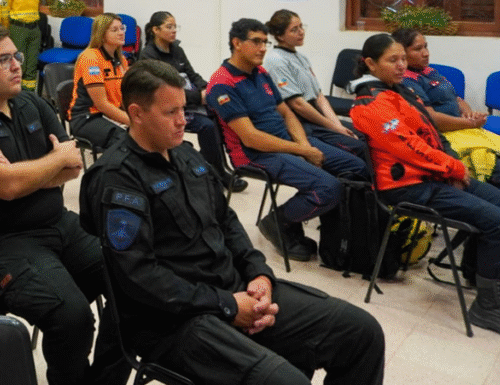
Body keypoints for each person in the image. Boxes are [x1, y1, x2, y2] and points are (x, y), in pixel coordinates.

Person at [81, 59, 386, 385]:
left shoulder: (185, 155)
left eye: (184, 109)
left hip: (231, 289)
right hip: (173, 320)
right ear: (137, 113)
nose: (183, 121)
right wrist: (226, 305)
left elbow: (226, 221)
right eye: (171, 113)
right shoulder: (118, 177)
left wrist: (258, 273)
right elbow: (138, 276)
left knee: (361, 332)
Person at [0, 25, 125, 385]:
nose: (16, 65)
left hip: (57, 223)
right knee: (72, 317)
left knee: (133, 282)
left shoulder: (32, 103)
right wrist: (37, 168)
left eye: (16, 56)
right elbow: (8, 188)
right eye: (3, 59)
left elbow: (72, 165)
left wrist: (21, 173)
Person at [351, 33, 500, 336]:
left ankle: (479, 274)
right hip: (407, 186)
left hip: (434, 175)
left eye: (402, 59)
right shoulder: (369, 103)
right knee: (498, 223)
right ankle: (486, 308)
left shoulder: (401, 91)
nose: (400, 65)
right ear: (370, 63)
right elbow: (409, 148)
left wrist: (450, 167)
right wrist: (454, 168)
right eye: (392, 60)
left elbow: (432, 133)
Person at [206, 18, 367, 262]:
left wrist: (303, 147)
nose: (263, 48)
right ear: (236, 43)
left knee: (356, 166)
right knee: (328, 187)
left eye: (265, 42)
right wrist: (302, 150)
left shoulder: (259, 72)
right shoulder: (222, 84)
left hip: (285, 144)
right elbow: (251, 138)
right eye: (257, 42)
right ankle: (278, 222)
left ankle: (339, 234)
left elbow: (287, 113)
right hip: (255, 155)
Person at [139, 11, 247, 193]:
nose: (174, 31)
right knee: (206, 125)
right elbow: (163, 92)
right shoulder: (148, 56)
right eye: (169, 27)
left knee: (218, 115)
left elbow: (192, 75)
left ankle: (218, 166)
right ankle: (217, 173)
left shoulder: (177, 50)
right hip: (169, 107)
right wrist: (198, 97)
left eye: (175, 27)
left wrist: (209, 89)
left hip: (188, 101)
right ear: (156, 30)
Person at [393, 28, 500, 186]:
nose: (426, 53)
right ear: (402, 53)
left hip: (464, 129)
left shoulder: (430, 71)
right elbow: (431, 119)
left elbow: (456, 98)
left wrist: (468, 113)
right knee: (497, 168)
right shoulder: (406, 80)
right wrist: (470, 123)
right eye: (418, 49)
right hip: (445, 136)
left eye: (426, 46)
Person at [263, 9, 366, 157]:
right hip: (302, 120)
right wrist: (335, 128)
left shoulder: (301, 57)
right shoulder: (276, 60)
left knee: (364, 134)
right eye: (294, 30)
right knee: (357, 146)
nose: (301, 32)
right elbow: (298, 104)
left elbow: (319, 97)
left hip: (315, 112)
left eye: (301, 26)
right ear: (280, 36)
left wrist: (337, 124)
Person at [69, 13, 129, 150]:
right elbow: (102, 104)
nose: (121, 33)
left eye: (122, 28)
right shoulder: (90, 58)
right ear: (102, 34)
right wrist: (133, 122)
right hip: (87, 117)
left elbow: (126, 95)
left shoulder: (122, 60)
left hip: (111, 114)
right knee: (125, 142)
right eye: (115, 30)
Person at [2, 0, 40, 91]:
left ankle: (29, 94)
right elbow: (4, 12)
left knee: (32, 63)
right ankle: (17, 91)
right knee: (19, 62)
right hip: (18, 29)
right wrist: (7, 31)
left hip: (34, 30)